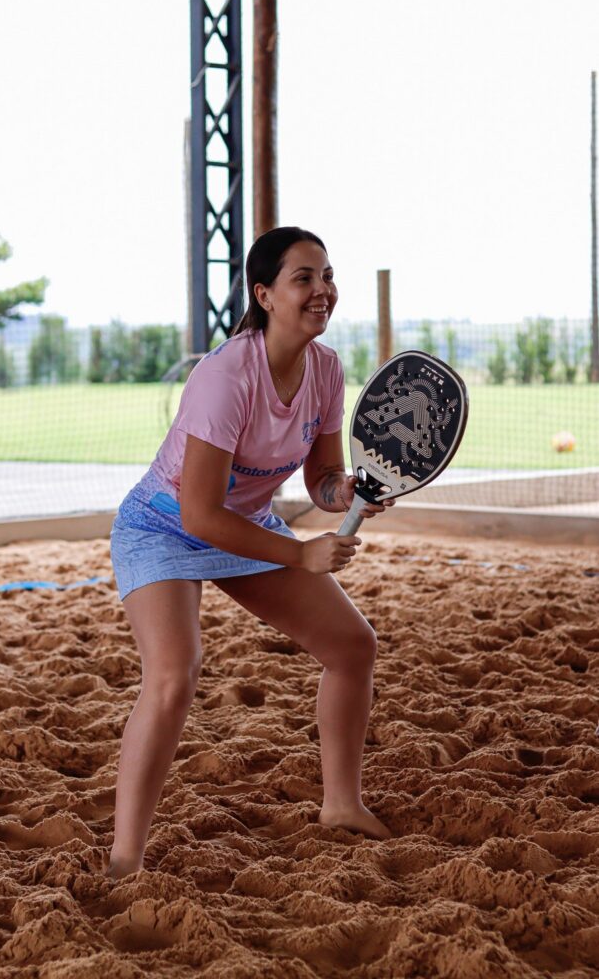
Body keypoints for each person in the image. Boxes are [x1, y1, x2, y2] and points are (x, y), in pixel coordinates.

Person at [106, 226, 395, 880]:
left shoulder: (326, 368)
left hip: (244, 523)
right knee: (174, 676)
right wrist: (300, 555)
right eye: (304, 278)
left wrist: (346, 492)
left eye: (327, 276)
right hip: (163, 527)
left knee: (352, 646)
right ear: (264, 295)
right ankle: (124, 860)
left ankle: (341, 805)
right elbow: (200, 514)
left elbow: (321, 481)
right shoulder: (225, 375)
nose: (322, 290)